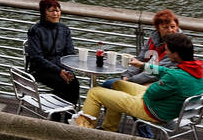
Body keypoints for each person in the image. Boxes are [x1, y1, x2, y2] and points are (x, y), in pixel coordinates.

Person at [74, 33, 203, 130]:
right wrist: (142, 65)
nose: (166, 53)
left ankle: (86, 132)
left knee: (94, 92)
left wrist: (153, 85)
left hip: (151, 109)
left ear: (176, 54)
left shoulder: (174, 77)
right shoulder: (197, 68)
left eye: (167, 50)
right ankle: (109, 130)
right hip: (166, 107)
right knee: (116, 84)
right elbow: (165, 71)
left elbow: (151, 93)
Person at [24, 0, 80, 109]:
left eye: (58, 10)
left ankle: (67, 113)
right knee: (63, 84)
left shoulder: (64, 29)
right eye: (51, 11)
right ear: (44, 12)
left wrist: (67, 71)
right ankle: (59, 115)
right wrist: (59, 71)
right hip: (41, 69)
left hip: (61, 68)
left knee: (74, 83)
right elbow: (37, 57)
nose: (55, 14)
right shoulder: (35, 30)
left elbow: (70, 53)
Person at [114, 10, 181, 86]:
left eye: (173, 27)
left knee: (111, 85)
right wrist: (127, 75)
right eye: (165, 27)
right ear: (158, 29)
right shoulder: (153, 39)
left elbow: (156, 71)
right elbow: (140, 58)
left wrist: (130, 81)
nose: (170, 30)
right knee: (110, 84)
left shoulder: (178, 44)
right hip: (141, 78)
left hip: (158, 82)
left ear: (177, 26)